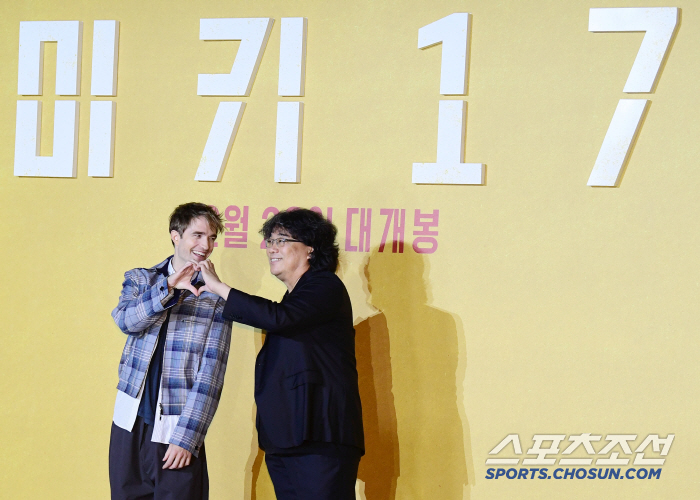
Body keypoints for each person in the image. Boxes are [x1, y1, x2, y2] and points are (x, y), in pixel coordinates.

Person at [197, 208, 364, 500]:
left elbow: (279, 318)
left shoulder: (325, 285)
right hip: (289, 436)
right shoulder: (295, 297)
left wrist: (219, 287)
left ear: (310, 248)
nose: (272, 249)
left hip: (319, 435)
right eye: (270, 241)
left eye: (282, 240)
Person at [109, 202, 232, 500]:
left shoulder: (215, 297)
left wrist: (188, 437)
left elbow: (211, 376)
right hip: (129, 422)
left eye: (211, 238)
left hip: (176, 429)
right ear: (175, 235)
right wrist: (168, 287)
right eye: (198, 235)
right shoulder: (142, 279)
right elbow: (126, 321)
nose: (206, 245)